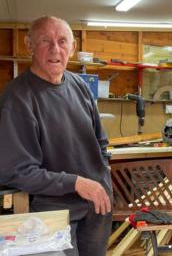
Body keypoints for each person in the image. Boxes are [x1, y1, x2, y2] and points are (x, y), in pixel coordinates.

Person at [0, 16, 112, 256]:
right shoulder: (17, 98)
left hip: (96, 206)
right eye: (45, 41)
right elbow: (15, 171)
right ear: (29, 44)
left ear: (72, 48)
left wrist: (102, 177)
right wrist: (76, 183)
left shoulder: (79, 85)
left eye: (62, 41)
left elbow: (100, 141)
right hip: (53, 212)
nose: (55, 49)